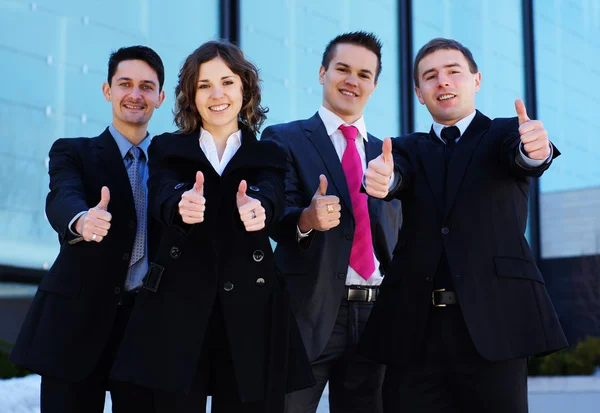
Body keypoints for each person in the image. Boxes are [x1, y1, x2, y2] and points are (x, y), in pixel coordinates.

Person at [359, 37, 568, 413]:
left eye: (453, 72)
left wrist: (536, 150)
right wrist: (384, 181)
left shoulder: (506, 133)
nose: (443, 82)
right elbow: (396, 176)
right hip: (414, 330)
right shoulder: (405, 148)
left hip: (495, 324)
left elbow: (525, 156)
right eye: (430, 76)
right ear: (419, 94)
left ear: (476, 80)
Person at [109, 40, 314, 413]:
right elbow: (162, 193)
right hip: (177, 309)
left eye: (227, 82)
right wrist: (181, 205)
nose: (216, 94)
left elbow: (272, 195)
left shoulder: (268, 152)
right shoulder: (168, 148)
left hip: (253, 310)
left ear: (245, 89)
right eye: (204, 85)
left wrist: (259, 209)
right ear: (190, 95)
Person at [10, 45, 166, 412]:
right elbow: (61, 197)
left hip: (145, 328)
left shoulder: (172, 162)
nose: (135, 94)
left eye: (146, 86)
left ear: (159, 97)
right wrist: (81, 220)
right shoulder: (73, 151)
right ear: (107, 90)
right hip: (75, 325)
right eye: (124, 83)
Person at [261, 31, 402, 413]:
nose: (351, 81)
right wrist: (307, 218)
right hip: (307, 313)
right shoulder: (284, 138)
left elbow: (400, 238)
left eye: (363, 74)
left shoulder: (388, 156)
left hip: (376, 315)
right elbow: (276, 215)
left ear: (374, 85)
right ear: (323, 72)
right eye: (342, 69)